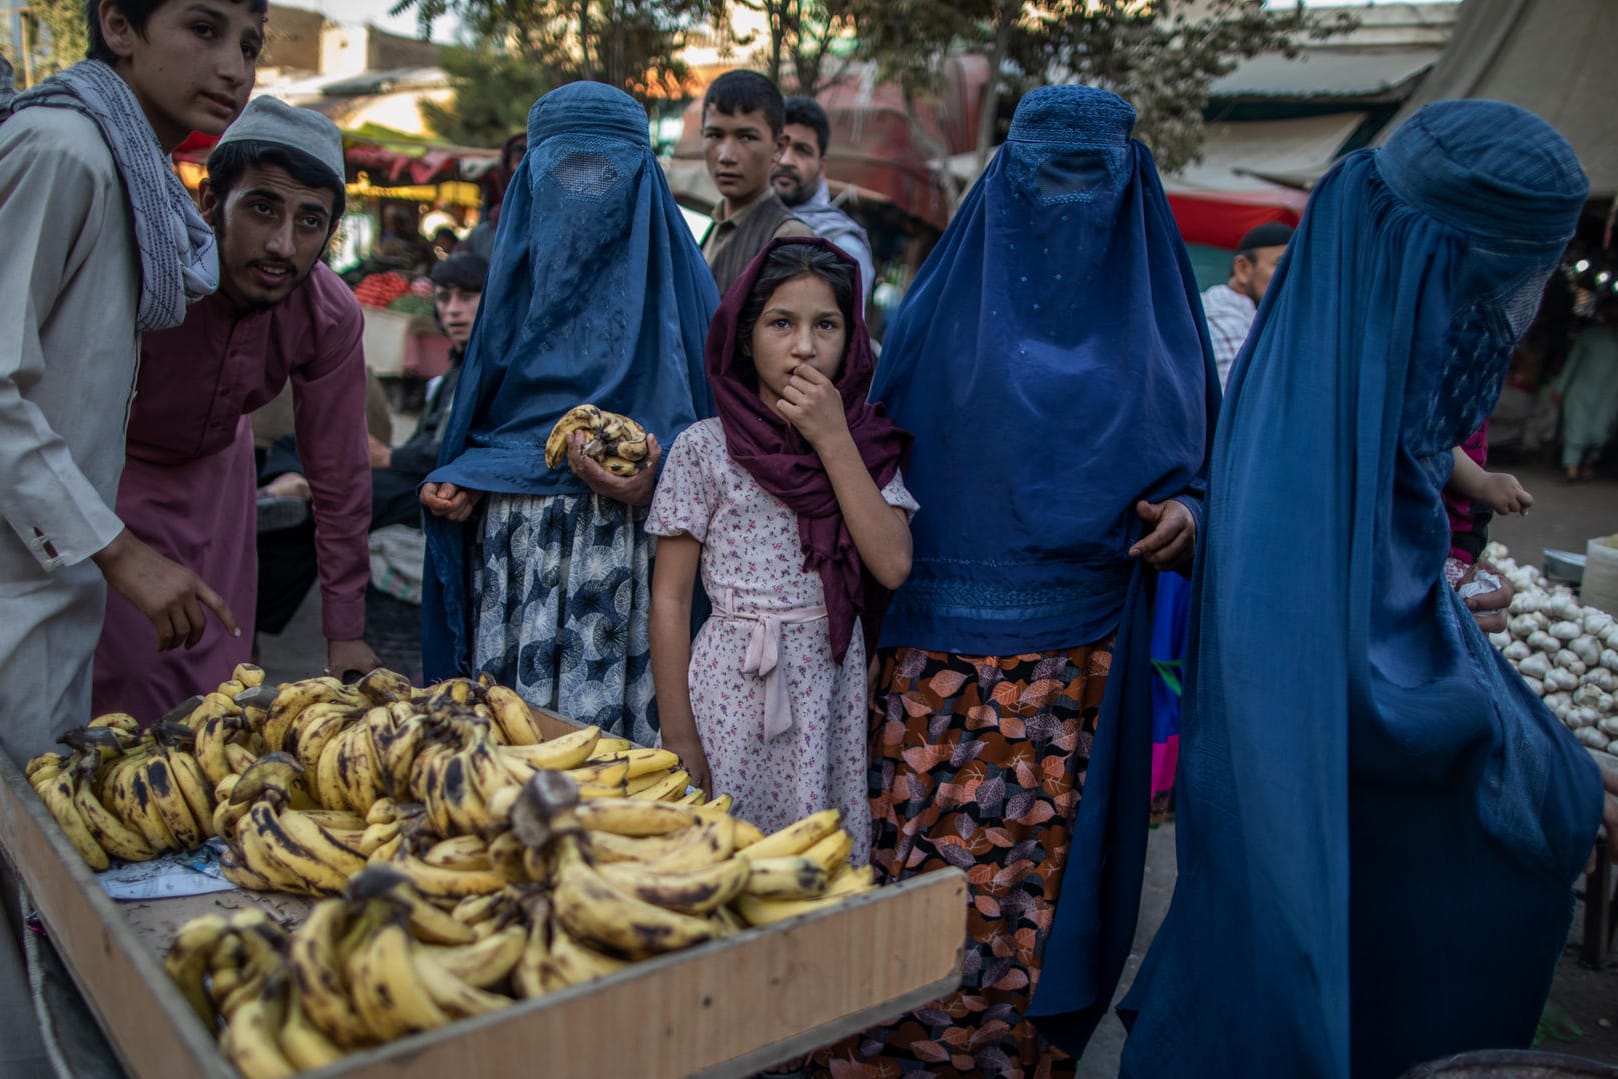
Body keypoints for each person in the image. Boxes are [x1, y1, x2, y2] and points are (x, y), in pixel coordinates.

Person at [1120, 100, 1605, 1079]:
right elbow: (1355, 692)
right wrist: (1518, 740)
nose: (1506, 322)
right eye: (1504, 289)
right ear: (1443, 272)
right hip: (1365, 874)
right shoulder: (1321, 419)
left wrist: (1438, 621)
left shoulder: (1355, 370)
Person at [820, 86, 1218, 1076]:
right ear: (1008, 175)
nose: (1067, 200)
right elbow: (866, 453)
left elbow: (1215, 458)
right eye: (1047, 173)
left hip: (1077, 671)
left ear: (1130, 184)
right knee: (908, 886)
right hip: (928, 664)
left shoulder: (1162, 320)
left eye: (1092, 176)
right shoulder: (941, 311)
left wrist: (1191, 513)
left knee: (1026, 913)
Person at [0, 3, 260, 1072]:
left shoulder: (130, 172)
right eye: (203, 28)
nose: (232, 66)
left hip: (42, 596)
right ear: (115, 24)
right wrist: (121, 549)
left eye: (250, 42)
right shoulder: (61, 151)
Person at [421, 82, 719, 745]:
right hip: (519, 567)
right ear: (531, 179)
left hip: (639, 571)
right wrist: (468, 475)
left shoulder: (690, 299)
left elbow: (722, 445)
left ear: (643, 178)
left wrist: (660, 474)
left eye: (605, 172)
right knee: (512, 774)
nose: (584, 195)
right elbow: (486, 420)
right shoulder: (510, 286)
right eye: (564, 172)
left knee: (625, 784)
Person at [92, 97, 377, 721]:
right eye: (261, 208)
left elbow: (340, 474)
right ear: (210, 203)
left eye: (310, 222)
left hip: (219, 487)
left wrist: (345, 627)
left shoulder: (329, 314)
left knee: (219, 683)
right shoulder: (142, 268)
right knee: (120, 674)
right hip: (108, 468)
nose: (282, 244)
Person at [647, 238, 913, 863]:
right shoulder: (704, 449)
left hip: (826, 688)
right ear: (744, 338)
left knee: (810, 862)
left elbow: (893, 564)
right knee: (719, 857)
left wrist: (831, 438)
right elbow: (670, 597)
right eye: (780, 324)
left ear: (852, 339)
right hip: (728, 688)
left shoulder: (867, 443)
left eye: (826, 325)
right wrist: (678, 731)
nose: (803, 347)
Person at [256, 252, 488, 679]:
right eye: (445, 298)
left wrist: (391, 457)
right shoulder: (455, 366)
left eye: (467, 298)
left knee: (337, 494)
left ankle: (297, 497)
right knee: (303, 444)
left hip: (431, 489)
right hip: (412, 472)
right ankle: (286, 484)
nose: (453, 310)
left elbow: (467, 449)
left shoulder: (488, 365)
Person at [699, 70, 814, 294]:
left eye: (746, 137)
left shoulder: (789, 238)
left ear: (778, 147)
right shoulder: (713, 227)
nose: (726, 156)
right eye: (714, 135)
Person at [772, 96, 875, 309]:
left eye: (802, 150)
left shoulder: (840, 246)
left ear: (822, 166)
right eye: (779, 147)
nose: (786, 160)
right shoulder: (745, 222)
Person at [1201, 221, 1292, 388]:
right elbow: (1239, 405)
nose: (1292, 277)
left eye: (1296, 268)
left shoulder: (1207, 308)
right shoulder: (1225, 323)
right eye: (1281, 265)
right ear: (1243, 268)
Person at [1552, 292, 1618, 481]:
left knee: (1601, 430)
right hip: (1581, 390)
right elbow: (1572, 363)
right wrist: (1561, 388)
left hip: (1610, 393)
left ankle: (1589, 463)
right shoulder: (1589, 335)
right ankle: (1571, 467)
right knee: (1575, 425)